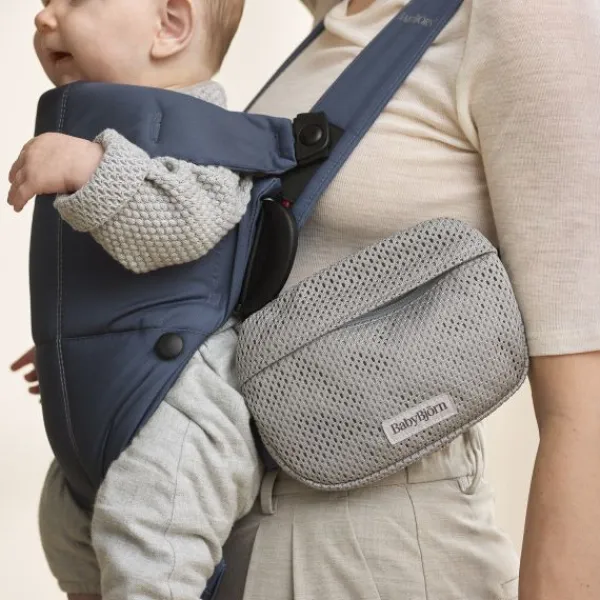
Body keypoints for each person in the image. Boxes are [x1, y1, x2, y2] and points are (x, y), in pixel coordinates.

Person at [208, 1, 600, 599]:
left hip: (373, 542)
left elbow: (586, 409)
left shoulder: (520, 16)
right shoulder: (338, 23)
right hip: (228, 517)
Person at [8, 1, 264, 600]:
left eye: (74, 0)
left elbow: (182, 226)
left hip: (181, 398)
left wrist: (90, 168)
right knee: (66, 525)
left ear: (169, 25)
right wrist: (74, 346)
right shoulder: (99, 129)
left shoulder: (206, 135)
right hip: (108, 394)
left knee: (147, 532)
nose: (44, 18)